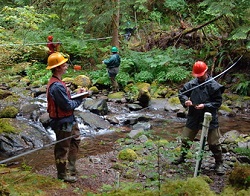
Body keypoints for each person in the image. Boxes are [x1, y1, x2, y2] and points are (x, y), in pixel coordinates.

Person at [172, 61, 225, 175]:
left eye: (201, 75)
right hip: (194, 115)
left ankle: (219, 163)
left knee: (214, 143)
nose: (199, 77)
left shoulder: (214, 86)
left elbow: (218, 102)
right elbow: (182, 93)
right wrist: (186, 101)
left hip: (209, 116)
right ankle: (182, 156)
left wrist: (205, 106)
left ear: (206, 72)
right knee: (186, 138)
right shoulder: (192, 84)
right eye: (197, 75)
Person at [46, 52, 87, 183]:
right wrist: (81, 98)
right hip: (62, 122)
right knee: (62, 148)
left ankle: (71, 168)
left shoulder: (58, 82)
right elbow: (67, 105)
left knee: (75, 139)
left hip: (68, 119)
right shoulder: (56, 86)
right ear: (57, 67)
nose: (66, 66)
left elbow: (65, 100)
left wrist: (76, 94)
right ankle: (62, 174)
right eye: (64, 65)